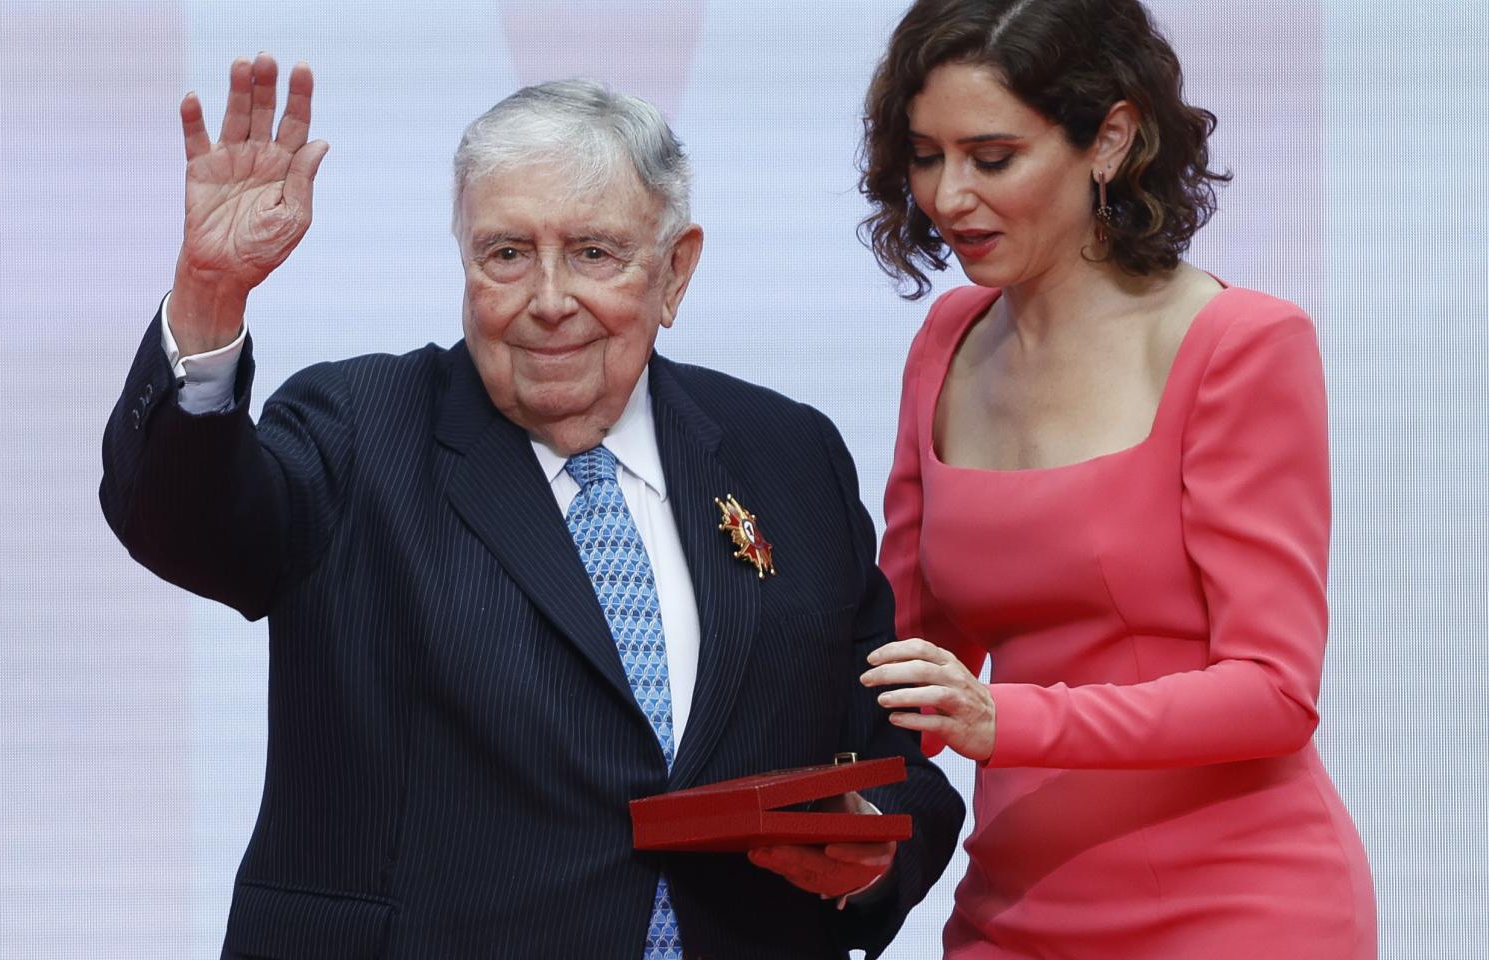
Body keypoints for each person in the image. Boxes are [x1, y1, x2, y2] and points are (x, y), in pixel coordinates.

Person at [101, 54, 964, 959]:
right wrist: (209, 295)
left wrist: (865, 850)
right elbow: (185, 524)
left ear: (675, 273)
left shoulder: (787, 454)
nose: (549, 301)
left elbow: (892, 758)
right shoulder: (358, 429)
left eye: (594, 253)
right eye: (508, 254)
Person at [852, 1, 1376, 957]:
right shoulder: (944, 343)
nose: (948, 195)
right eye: (926, 155)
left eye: (992, 156)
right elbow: (909, 654)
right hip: (1009, 912)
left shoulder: (1238, 346)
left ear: (1112, 138)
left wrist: (1001, 715)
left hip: (1239, 910)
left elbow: (1273, 691)